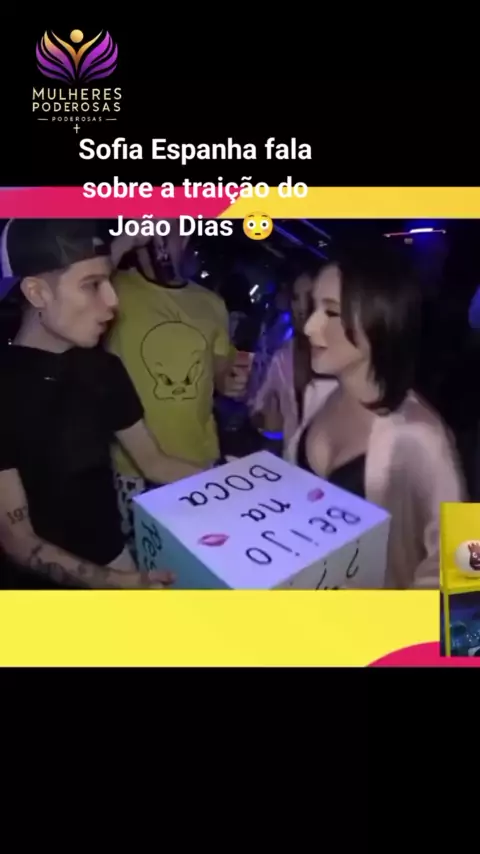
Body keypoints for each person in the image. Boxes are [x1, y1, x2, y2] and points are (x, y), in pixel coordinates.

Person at [0, 219, 203, 590]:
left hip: (116, 559)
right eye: (92, 285)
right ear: (37, 292)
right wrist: (119, 584)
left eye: (109, 281)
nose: (112, 301)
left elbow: (154, 461)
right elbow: (17, 538)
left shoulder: (104, 369)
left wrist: (238, 482)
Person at [285, 242, 465, 589]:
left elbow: (461, 564)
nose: (309, 326)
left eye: (331, 312)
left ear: (378, 319)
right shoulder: (316, 395)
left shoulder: (422, 436)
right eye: (312, 308)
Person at [107, 223, 247, 537]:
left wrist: (230, 383)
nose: (157, 241)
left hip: (199, 460)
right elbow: (80, 290)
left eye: (168, 231)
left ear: (184, 237)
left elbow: (220, 372)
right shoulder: (115, 288)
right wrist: (124, 241)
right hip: (132, 467)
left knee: (198, 550)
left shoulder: (211, 303)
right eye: (149, 229)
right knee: (142, 557)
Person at [249, 270, 314, 447]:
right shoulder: (283, 356)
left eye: (310, 297)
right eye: (296, 298)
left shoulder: (340, 362)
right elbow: (258, 408)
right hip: (287, 458)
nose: (301, 307)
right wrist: (265, 421)